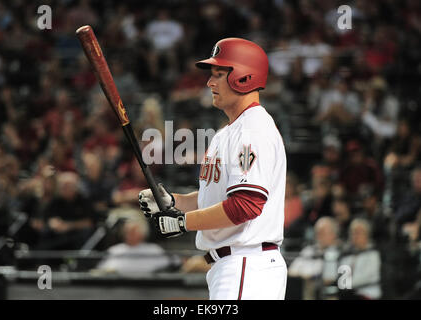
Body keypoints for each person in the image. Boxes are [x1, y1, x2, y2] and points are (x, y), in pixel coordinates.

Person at [139, 38, 287, 300]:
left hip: (247, 263)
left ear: (244, 77)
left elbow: (245, 205)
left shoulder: (252, 129)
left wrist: (184, 223)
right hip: (235, 265)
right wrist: (175, 201)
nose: (209, 82)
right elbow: (219, 198)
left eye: (219, 74)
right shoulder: (229, 131)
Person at [288, 217, 343, 299]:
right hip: (304, 290)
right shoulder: (309, 250)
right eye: (317, 233)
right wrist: (306, 277)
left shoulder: (339, 251)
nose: (319, 236)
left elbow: (329, 279)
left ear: (333, 234)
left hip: (329, 293)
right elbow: (291, 272)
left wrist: (310, 277)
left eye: (323, 232)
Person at [338, 218, 382, 300]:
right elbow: (342, 280)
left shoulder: (373, 253)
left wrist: (348, 284)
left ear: (367, 235)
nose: (355, 236)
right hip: (349, 295)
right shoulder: (346, 255)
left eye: (358, 233)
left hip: (368, 295)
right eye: (353, 233)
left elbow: (367, 277)